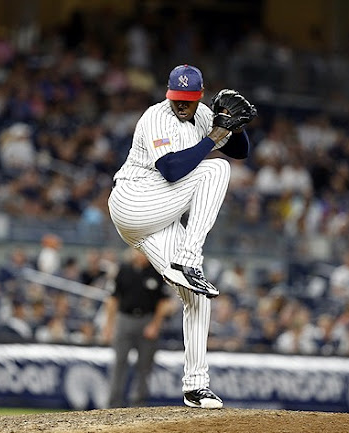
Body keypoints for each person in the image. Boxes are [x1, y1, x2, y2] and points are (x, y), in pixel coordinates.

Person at [107, 64, 255, 408]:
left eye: (189, 99)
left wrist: (235, 127)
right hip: (135, 201)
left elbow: (241, 151)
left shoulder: (202, 113)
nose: (182, 105)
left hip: (159, 218)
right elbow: (172, 170)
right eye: (177, 98)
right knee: (216, 168)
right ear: (168, 93)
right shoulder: (156, 117)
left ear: (199, 96)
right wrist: (213, 139)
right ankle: (188, 259)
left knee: (195, 295)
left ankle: (195, 386)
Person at [102, 249, 171, 408]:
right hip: (124, 319)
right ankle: (114, 404)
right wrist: (109, 325)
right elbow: (112, 299)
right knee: (119, 363)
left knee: (144, 366)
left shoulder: (157, 272)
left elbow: (164, 302)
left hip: (147, 320)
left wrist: (155, 324)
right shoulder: (123, 270)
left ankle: (138, 404)